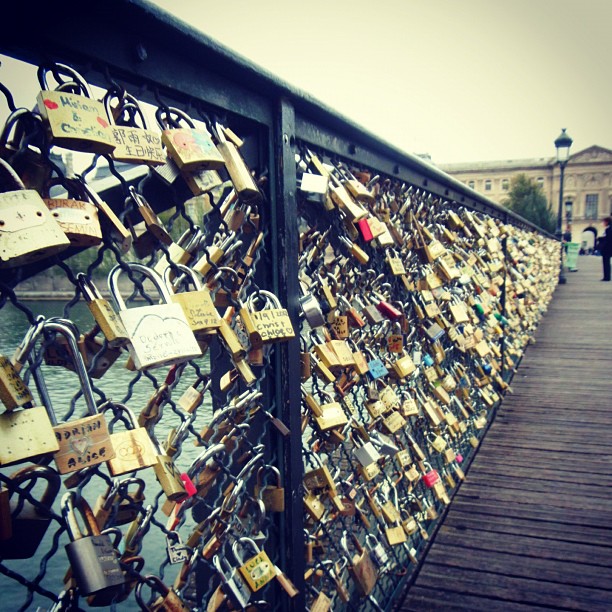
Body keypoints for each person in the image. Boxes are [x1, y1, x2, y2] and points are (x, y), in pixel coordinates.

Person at [600, 216, 612, 281]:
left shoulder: (608, 229)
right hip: (609, 248)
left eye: (604, 222)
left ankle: (606, 277)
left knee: (606, 263)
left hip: (607, 248)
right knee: (607, 263)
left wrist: (600, 239)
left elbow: (608, 239)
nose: (603, 223)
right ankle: (607, 277)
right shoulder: (609, 229)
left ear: (607, 222)